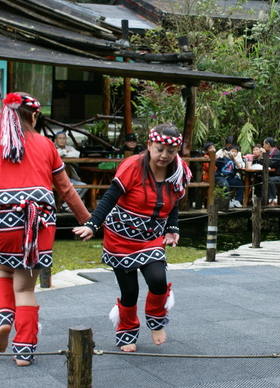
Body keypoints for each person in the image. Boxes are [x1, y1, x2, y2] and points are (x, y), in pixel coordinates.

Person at [0, 92, 90, 366]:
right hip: (38, 224)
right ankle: (23, 351)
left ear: (6, 114)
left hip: (1, 221)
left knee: (2, 270)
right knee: (24, 289)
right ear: (34, 116)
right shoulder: (46, 145)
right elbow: (66, 188)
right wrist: (87, 220)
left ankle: (3, 320)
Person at [72, 123, 191, 353]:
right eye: (159, 149)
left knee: (157, 279)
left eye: (171, 151)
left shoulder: (179, 171)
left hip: (151, 237)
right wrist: (92, 224)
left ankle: (156, 322)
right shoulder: (132, 166)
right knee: (130, 292)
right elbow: (109, 198)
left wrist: (172, 228)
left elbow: (173, 203)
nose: (164, 156)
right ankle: (126, 330)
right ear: (149, 145)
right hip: (120, 237)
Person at [53, 132, 88, 212]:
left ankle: (66, 205)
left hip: (69, 178)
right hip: (55, 179)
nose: (62, 140)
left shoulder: (69, 147)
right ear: (55, 140)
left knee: (84, 186)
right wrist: (65, 152)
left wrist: (63, 153)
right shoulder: (52, 147)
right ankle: (68, 207)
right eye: (60, 138)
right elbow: (56, 154)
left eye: (64, 138)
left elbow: (77, 154)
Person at [262, 137, 280, 206]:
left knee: (269, 180)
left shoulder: (277, 153)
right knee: (260, 178)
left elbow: (269, 163)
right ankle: (261, 199)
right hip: (275, 175)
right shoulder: (270, 153)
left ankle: (273, 200)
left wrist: (263, 155)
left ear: (268, 144)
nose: (263, 146)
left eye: (264, 144)